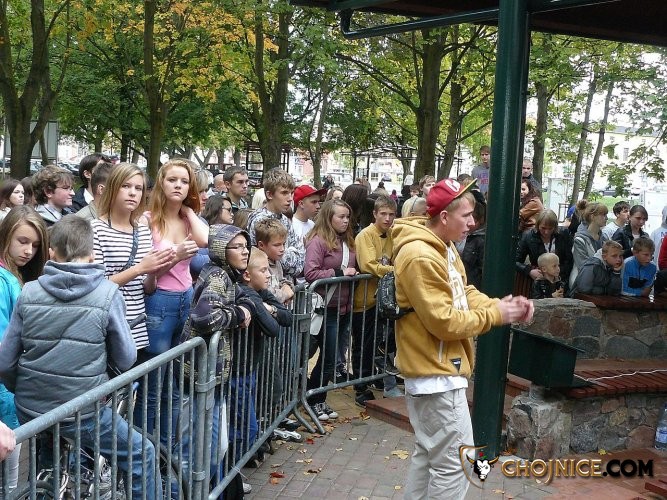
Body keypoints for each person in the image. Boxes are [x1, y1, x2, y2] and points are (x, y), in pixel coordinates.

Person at [391, 178, 533, 498]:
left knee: (428, 456)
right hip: (436, 375)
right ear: (444, 216)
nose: (473, 222)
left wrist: (498, 306)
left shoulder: (442, 246)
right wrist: (497, 315)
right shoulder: (421, 255)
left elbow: (463, 292)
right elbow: (445, 322)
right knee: (456, 465)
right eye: (466, 215)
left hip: (437, 373)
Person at [0, 215, 159, 499]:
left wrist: (23, 389)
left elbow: (5, 361)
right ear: (92, 254)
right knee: (142, 454)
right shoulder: (107, 294)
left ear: (51, 253)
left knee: (47, 465)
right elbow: (126, 358)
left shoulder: (30, 291)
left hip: (31, 408)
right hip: (82, 411)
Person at [138, 158, 208, 443]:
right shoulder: (148, 220)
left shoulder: (187, 219)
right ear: (161, 183)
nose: (178, 185)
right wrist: (176, 256)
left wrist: (189, 210)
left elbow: (205, 240)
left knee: (176, 385)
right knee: (153, 385)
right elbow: (147, 273)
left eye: (184, 181)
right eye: (172, 180)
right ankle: (143, 449)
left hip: (186, 298)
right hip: (159, 301)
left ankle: (167, 449)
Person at [180, 224, 253, 494]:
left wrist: (244, 307)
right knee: (198, 449)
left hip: (213, 375)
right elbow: (204, 317)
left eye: (246, 246)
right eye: (237, 247)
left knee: (215, 447)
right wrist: (238, 315)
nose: (245, 251)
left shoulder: (227, 275)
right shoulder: (218, 277)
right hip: (200, 375)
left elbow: (245, 298)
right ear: (222, 250)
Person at [92, 163, 174, 352]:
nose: (132, 193)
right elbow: (96, 286)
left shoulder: (143, 231)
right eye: (126, 186)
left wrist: (153, 272)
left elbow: (147, 289)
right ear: (113, 188)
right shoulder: (95, 229)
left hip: (136, 329)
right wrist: (140, 268)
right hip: (107, 327)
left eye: (138, 188)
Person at [0, 206, 48, 491]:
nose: (29, 251)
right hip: (4, 393)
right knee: (8, 481)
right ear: (5, 235)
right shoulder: (2, 280)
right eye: (22, 241)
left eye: (36, 244)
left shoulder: (16, 275)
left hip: (12, 389)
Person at [232, 248, 292, 464]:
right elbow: (273, 329)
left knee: (248, 422)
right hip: (238, 370)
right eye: (264, 270)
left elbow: (287, 317)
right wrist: (264, 309)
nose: (269, 275)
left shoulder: (261, 293)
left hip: (251, 367)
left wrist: (270, 309)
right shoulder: (246, 293)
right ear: (248, 275)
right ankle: (233, 470)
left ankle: (239, 465)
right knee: (245, 428)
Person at [304, 199, 358, 422]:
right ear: (329, 217)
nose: (345, 221)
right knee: (326, 358)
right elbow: (310, 273)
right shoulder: (318, 241)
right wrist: (338, 273)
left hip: (344, 307)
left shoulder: (348, 241)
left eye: (347, 217)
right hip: (326, 309)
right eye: (341, 217)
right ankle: (313, 399)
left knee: (331, 358)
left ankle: (317, 398)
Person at [351, 195, 403, 407]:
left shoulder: (392, 234)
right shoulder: (365, 235)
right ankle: (360, 385)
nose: (388, 218)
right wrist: (397, 271)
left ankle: (378, 376)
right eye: (383, 214)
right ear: (374, 214)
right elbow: (369, 265)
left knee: (382, 341)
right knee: (363, 343)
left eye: (391, 214)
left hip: (383, 299)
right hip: (364, 299)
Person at [247, 168, 304, 281]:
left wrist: (290, 255)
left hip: (286, 283)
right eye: (284, 193)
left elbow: (300, 263)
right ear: (269, 194)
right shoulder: (259, 220)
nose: (290, 199)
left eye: (291, 193)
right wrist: (290, 252)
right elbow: (267, 260)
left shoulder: (285, 220)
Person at [516, 209, 573, 288]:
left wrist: (557, 273)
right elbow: (516, 261)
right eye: (543, 228)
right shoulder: (528, 236)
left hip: (560, 281)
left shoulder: (563, 234)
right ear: (537, 225)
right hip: (538, 282)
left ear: (555, 227)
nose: (546, 232)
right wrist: (529, 271)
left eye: (550, 228)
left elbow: (569, 260)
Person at [255, 218, 294, 304]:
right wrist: (285, 295)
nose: (282, 249)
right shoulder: (257, 265)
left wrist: (287, 285)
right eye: (277, 245)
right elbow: (267, 294)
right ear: (261, 245)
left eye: (283, 244)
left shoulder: (276, 261)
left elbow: (281, 280)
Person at [570, 201, 608, 289]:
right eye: (603, 215)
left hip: (601, 283)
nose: (606, 218)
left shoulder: (605, 238)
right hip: (581, 283)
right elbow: (583, 266)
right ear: (592, 216)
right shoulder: (579, 240)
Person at [460, 191, 487, 289]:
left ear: (481, 221)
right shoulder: (459, 234)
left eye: (474, 220)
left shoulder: (481, 240)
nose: (470, 223)